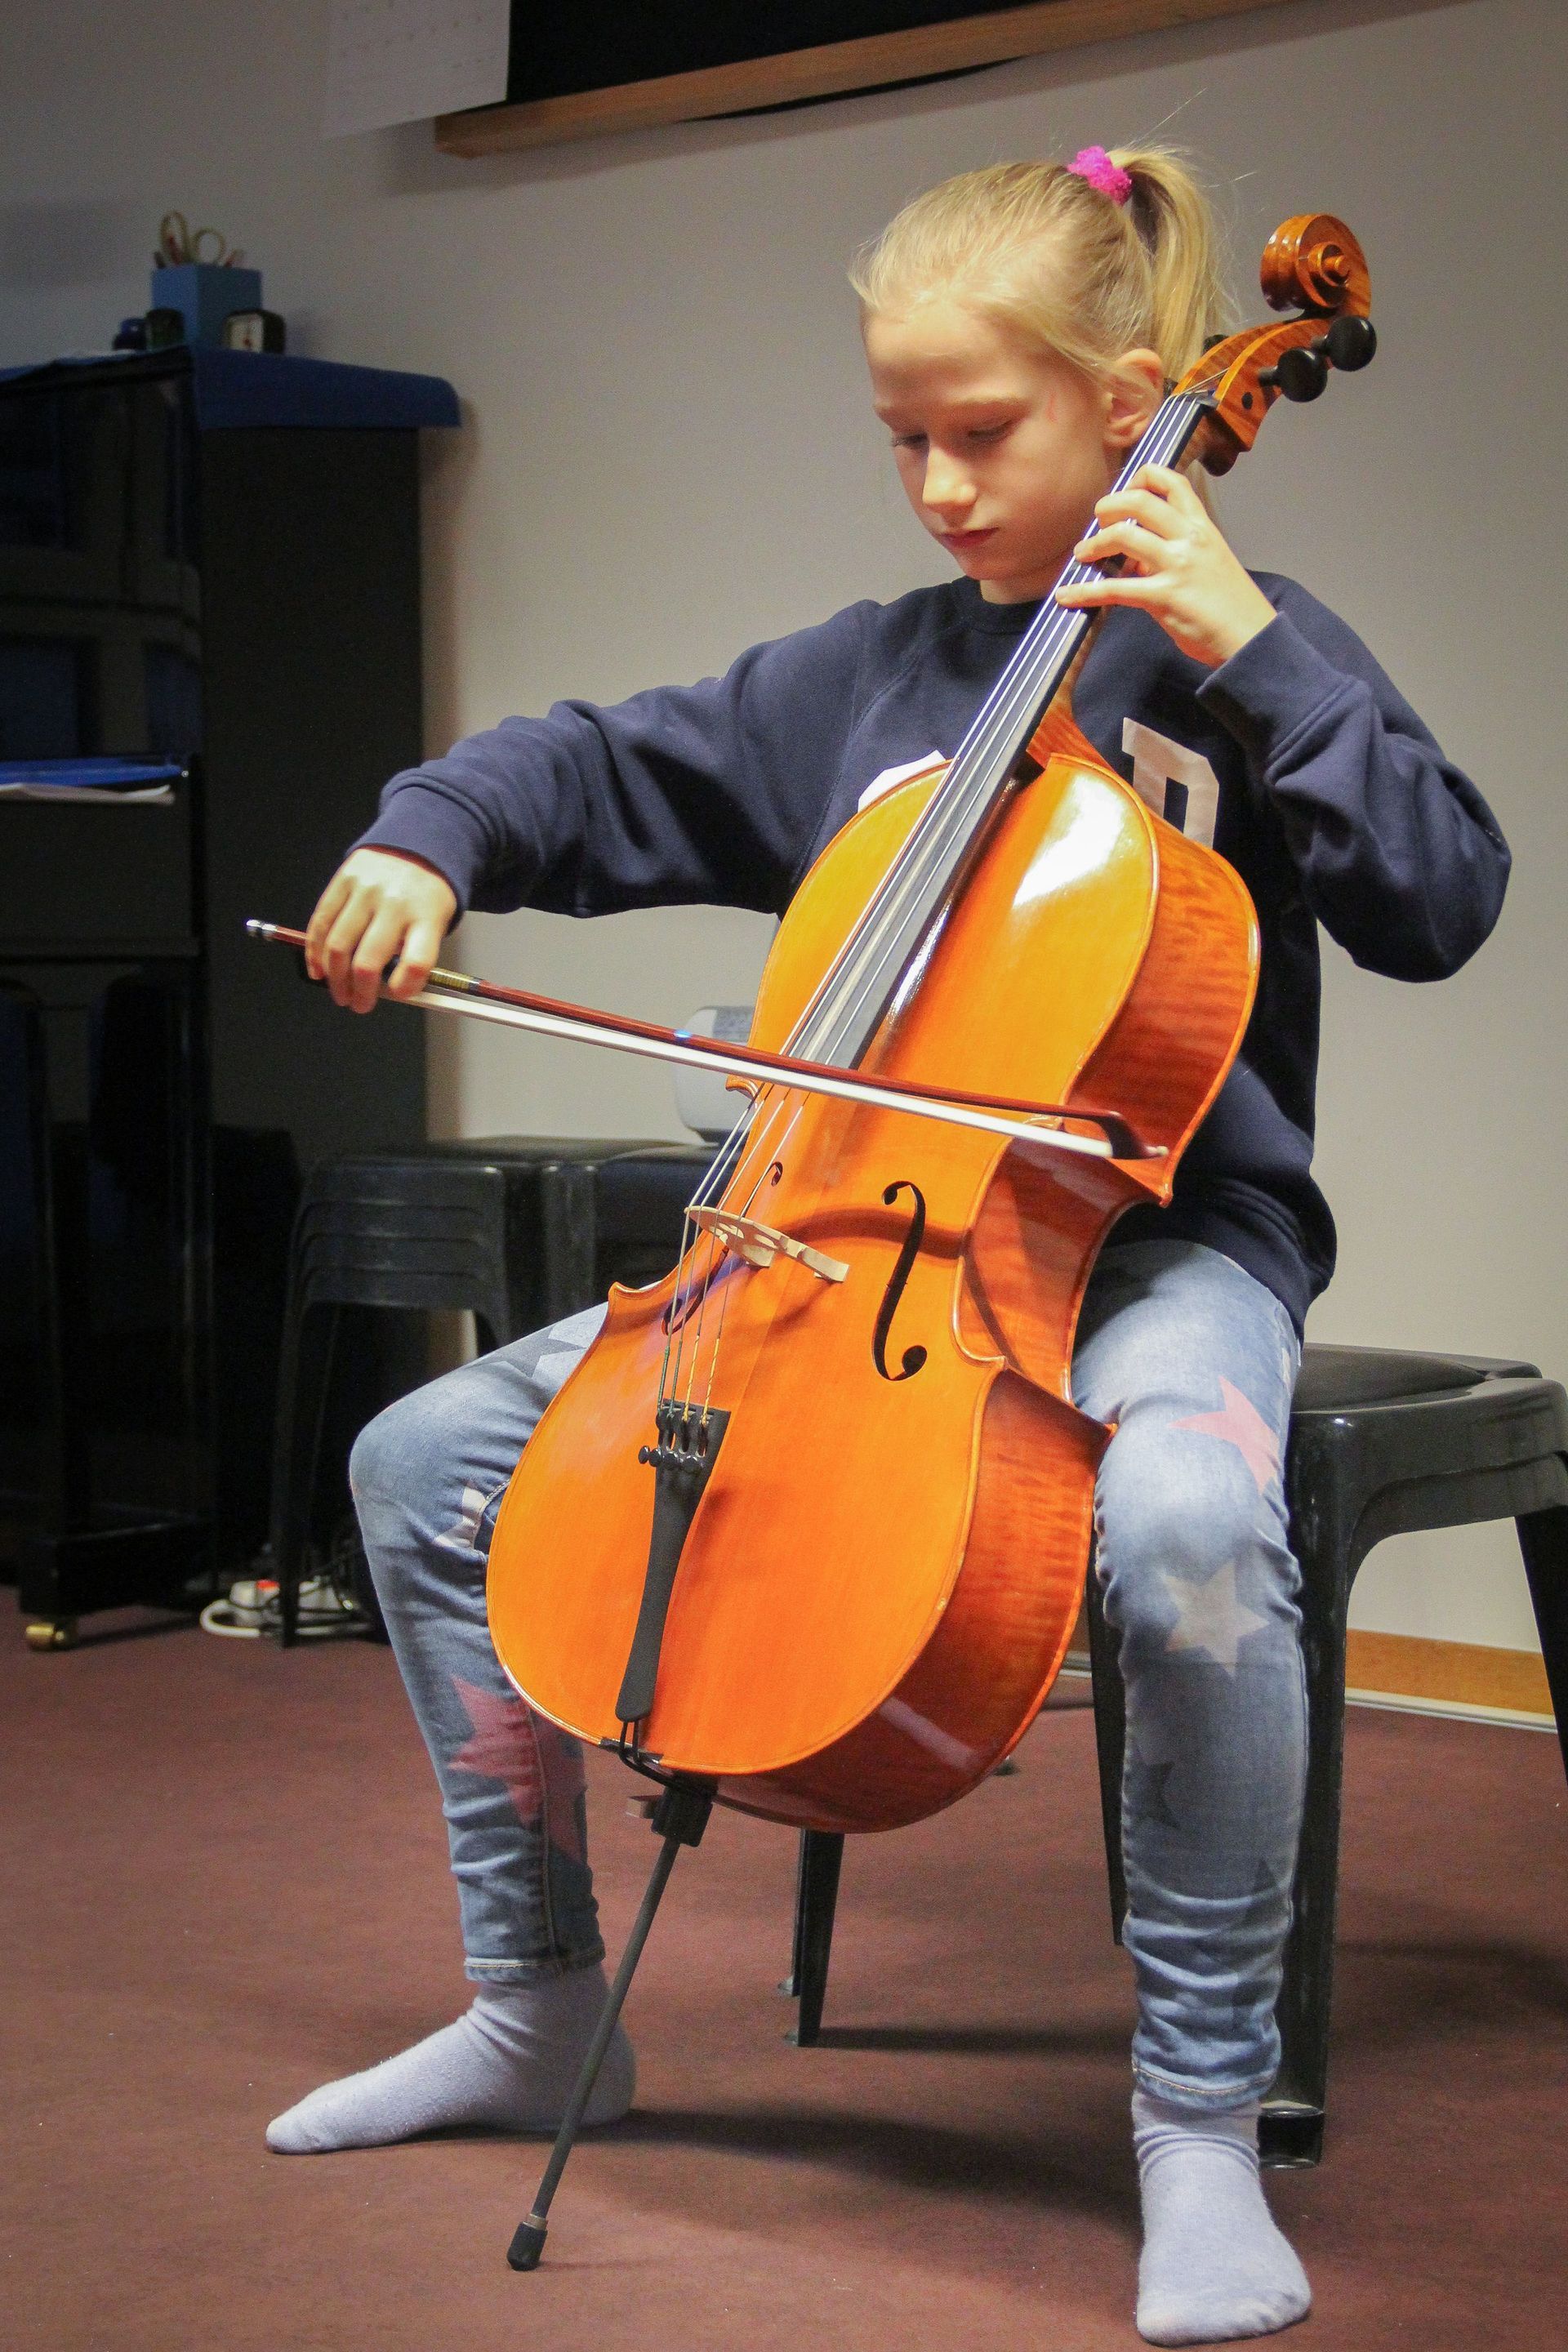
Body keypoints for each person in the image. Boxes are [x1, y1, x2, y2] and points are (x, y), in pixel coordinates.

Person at [265, 147, 1509, 2346]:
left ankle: (1197, 2119)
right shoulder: (864, 687)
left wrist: (1251, 638)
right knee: (419, 1464)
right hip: (847, 1252)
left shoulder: (1242, 672)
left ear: (1141, 404)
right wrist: (426, 838)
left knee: (1197, 1518)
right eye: (900, 438)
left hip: (1167, 1261)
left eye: (982, 433)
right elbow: (581, 766)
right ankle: (542, 1999)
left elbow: (1441, 893)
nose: (933, 484)